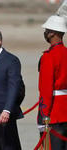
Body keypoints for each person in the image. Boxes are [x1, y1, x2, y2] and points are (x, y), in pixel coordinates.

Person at [38, 15, 67, 149]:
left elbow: (46, 90)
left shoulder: (48, 57)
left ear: (52, 33)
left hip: (54, 112)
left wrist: (44, 115)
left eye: (47, 31)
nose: (45, 33)